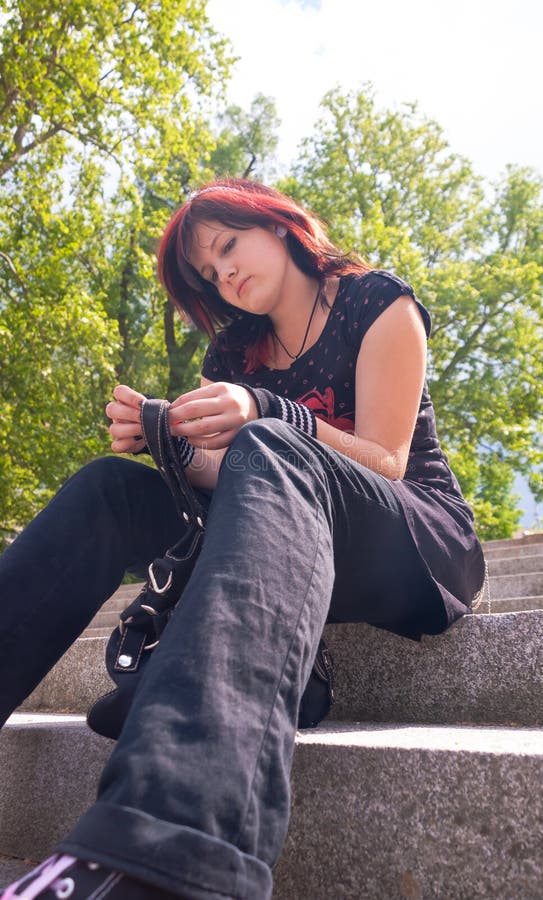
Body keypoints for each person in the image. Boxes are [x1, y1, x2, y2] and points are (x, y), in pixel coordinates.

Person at [0, 178, 486, 899]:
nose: (224, 274)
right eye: (209, 271)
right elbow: (223, 480)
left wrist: (265, 409)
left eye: (229, 247)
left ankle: (165, 852)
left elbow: (386, 459)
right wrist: (164, 440)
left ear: (281, 226)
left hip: (414, 538)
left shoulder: (377, 302)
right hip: (282, 524)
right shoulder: (235, 350)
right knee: (110, 488)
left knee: (272, 445)